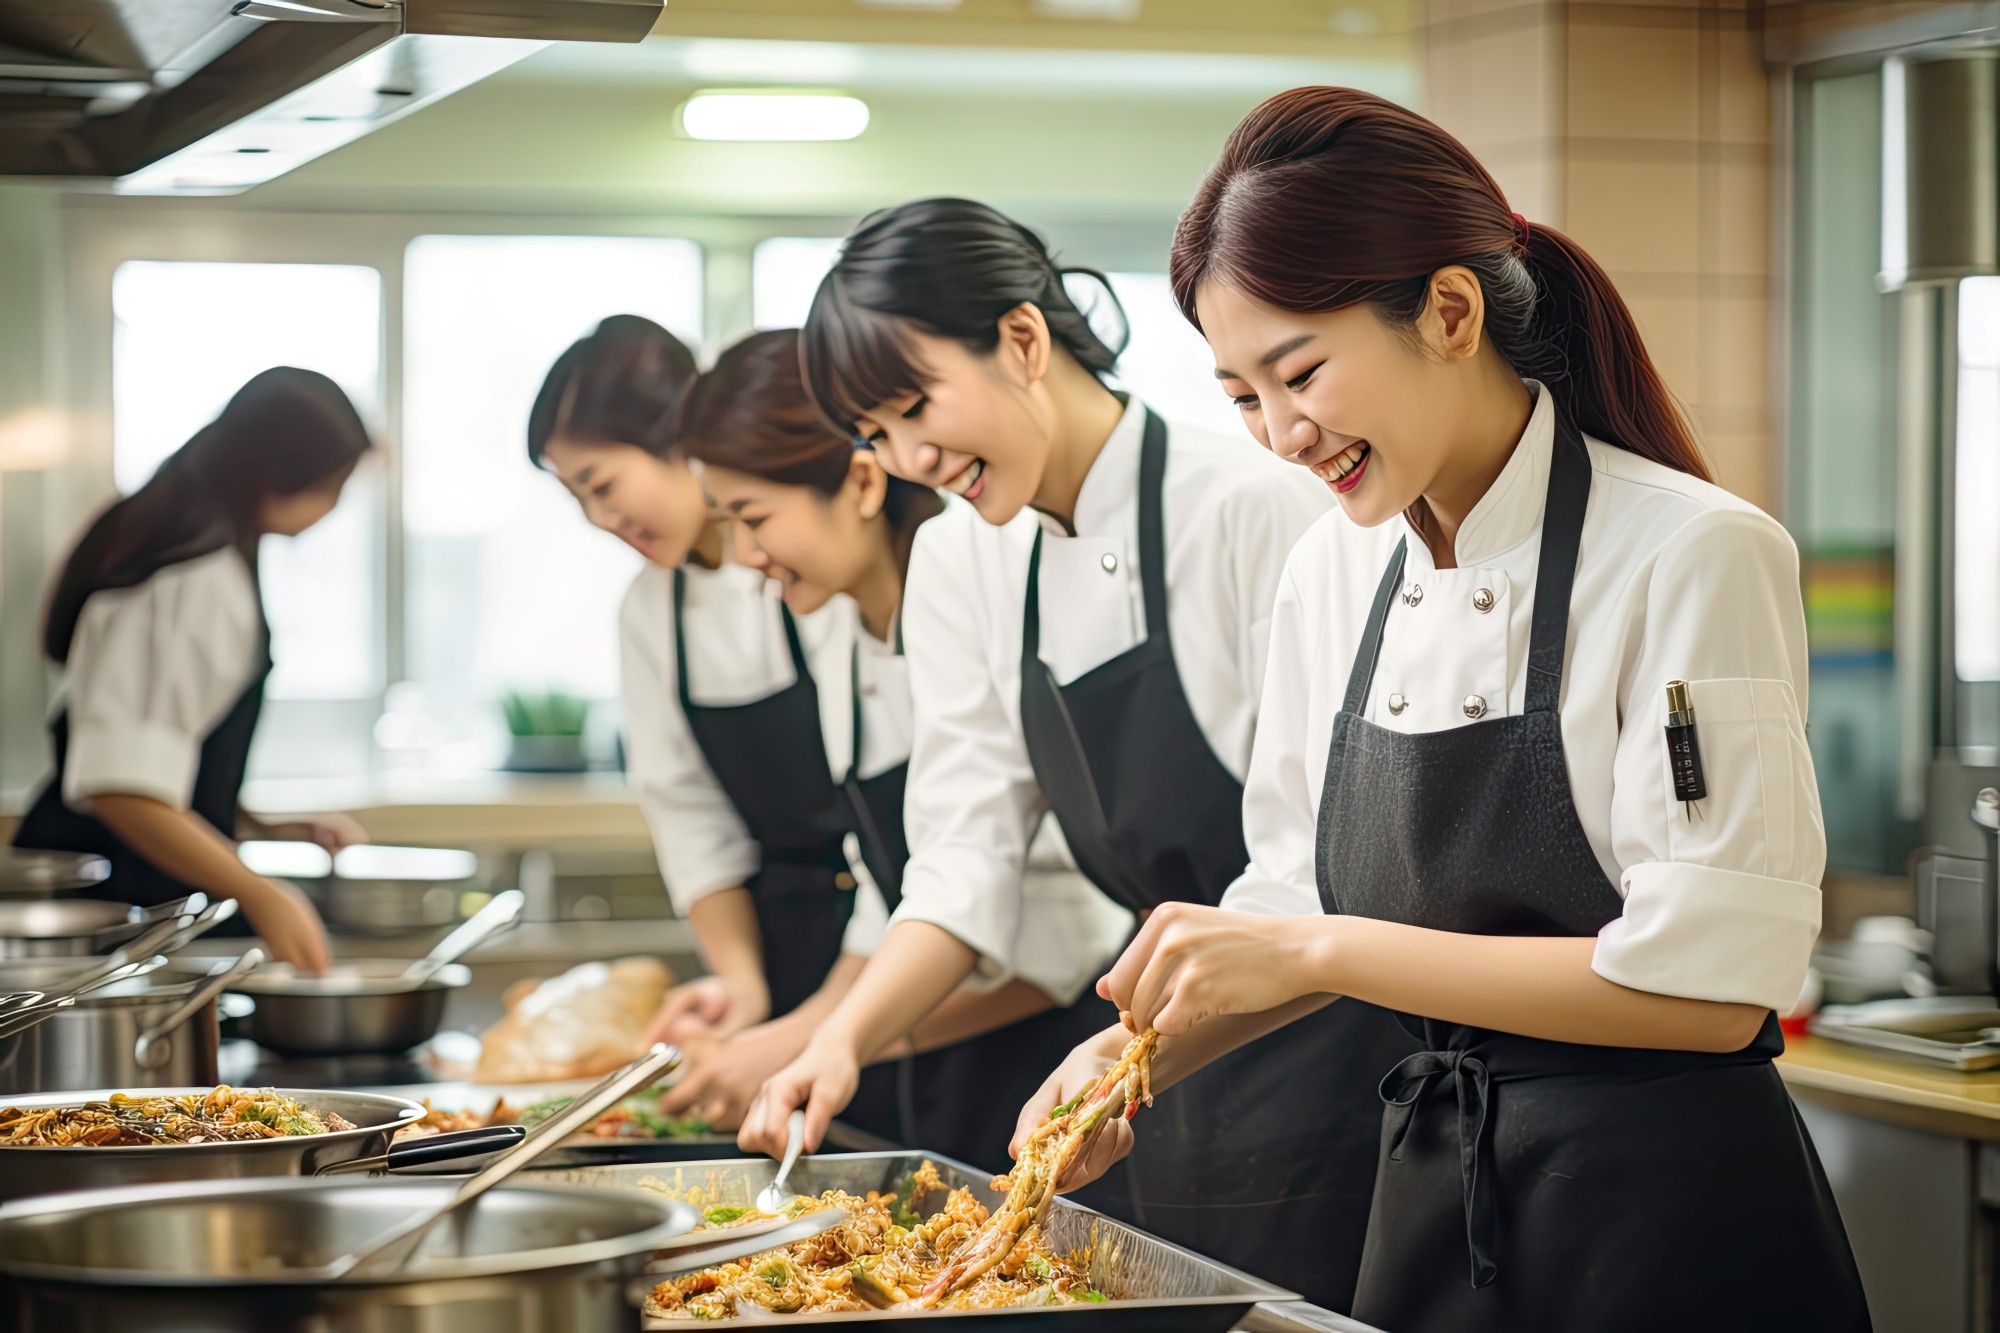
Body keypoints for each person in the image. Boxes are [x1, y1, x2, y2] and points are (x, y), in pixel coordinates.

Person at [1050, 87, 1870, 1331]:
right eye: (1240, 397)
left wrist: (1319, 950)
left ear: (1447, 310)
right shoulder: (1331, 569)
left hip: (1665, 1220)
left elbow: (1715, 992)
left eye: (1300, 372)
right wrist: (1126, 1068)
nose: (1280, 433)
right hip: (1436, 1195)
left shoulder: (1690, 551)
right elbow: (1292, 895)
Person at [738, 198, 1414, 1310]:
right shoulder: (960, 559)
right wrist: (841, 1038)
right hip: (1156, 1065)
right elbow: (958, 862)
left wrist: (1131, 1045)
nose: (910, 456)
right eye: (875, 434)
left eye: (915, 405)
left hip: (1330, 1048)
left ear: (1019, 340)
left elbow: (1313, 857)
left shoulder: (1254, 503)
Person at [658, 328, 1130, 1168]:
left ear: (864, 481)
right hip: (926, 1078)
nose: (745, 558)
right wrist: (812, 1034)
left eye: (754, 519)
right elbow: (893, 893)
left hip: (1038, 1067)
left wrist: (834, 1039)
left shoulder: (974, 606)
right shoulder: (843, 634)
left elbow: (1065, 934)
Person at [13, 367, 374, 972]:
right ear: (281, 472)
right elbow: (121, 787)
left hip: (120, 912)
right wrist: (261, 892)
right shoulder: (195, 582)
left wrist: (254, 825)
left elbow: (153, 760)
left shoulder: (205, 558)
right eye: (334, 485)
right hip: (101, 920)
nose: (332, 507)